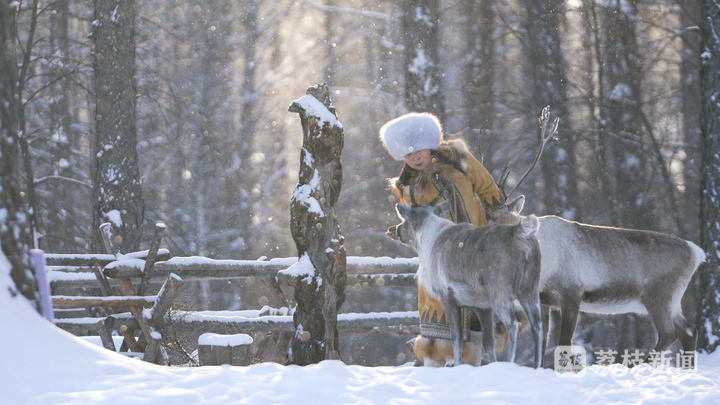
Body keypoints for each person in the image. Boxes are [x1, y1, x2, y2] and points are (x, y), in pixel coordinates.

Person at [380, 112, 506, 366]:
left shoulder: (458, 159)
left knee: (482, 298)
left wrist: (501, 221)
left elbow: (487, 187)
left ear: (429, 145)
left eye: (419, 151)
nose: (415, 157)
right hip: (441, 260)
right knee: (442, 302)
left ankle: (481, 358)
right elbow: (418, 229)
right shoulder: (408, 187)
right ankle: (440, 361)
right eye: (408, 154)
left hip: (478, 247)